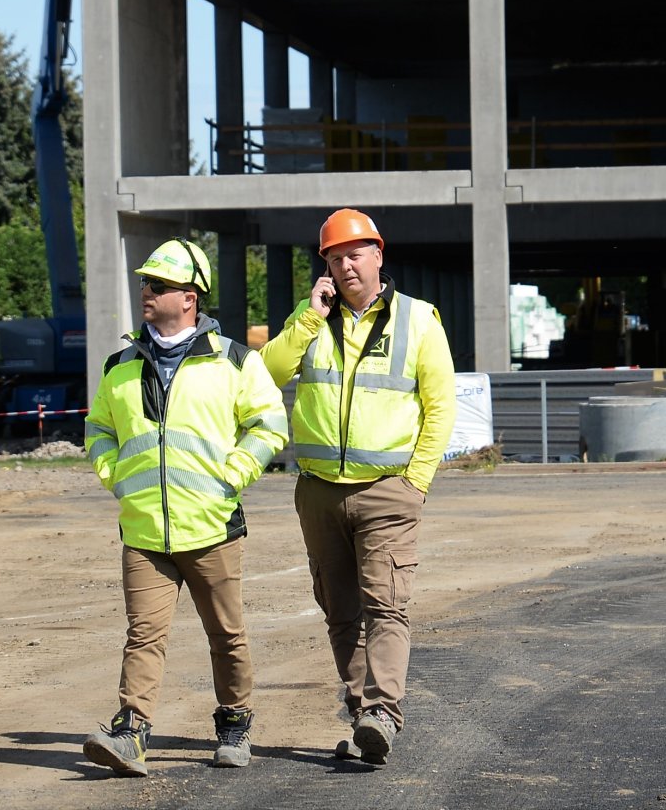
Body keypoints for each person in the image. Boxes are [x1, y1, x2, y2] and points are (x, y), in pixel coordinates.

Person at [80, 237, 289, 777]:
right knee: (143, 634)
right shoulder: (120, 364)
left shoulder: (234, 360)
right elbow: (98, 429)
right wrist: (116, 477)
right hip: (144, 530)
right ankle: (131, 732)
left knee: (226, 634)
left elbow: (270, 424)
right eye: (145, 283)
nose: (145, 292)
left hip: (214, 526)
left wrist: (234, 474)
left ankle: (235, 724)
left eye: (159, 285)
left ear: (190, 297)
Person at [260, 208, 455, 766]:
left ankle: (383, 712)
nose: (345, 265)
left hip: (388, 489)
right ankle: (361, 711)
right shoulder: (312, 320)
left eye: (353, 254)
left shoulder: (418, 321)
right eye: (333, 257)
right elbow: (265, 374)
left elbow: (440, 407)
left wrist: (416, 481)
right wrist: (306, 318)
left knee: (386, 606)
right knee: (340, 611)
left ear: (378, 255)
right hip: (319, 491)